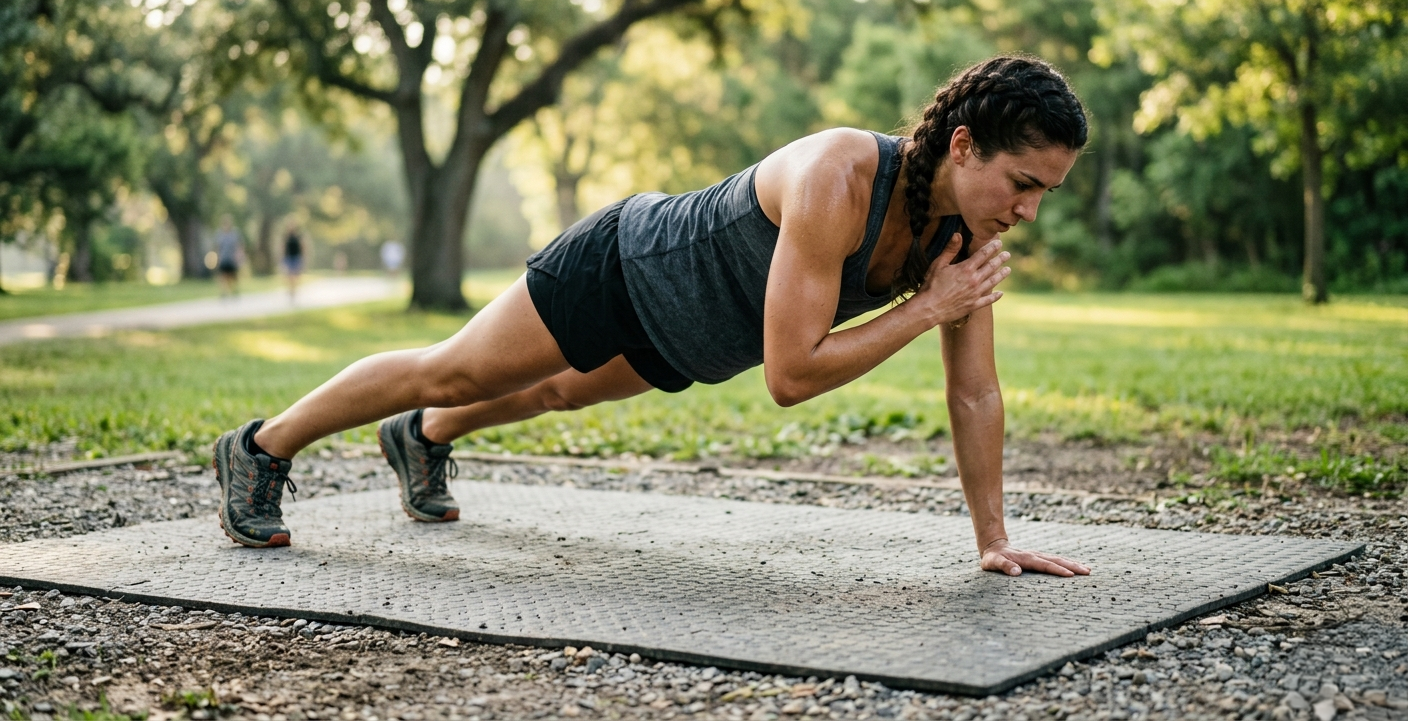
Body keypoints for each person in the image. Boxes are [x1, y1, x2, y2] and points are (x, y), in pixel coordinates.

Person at [211, 55, 1092, 579]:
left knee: (553, 395)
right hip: (627, 266)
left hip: (698, 332)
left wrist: (994, 541)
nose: (1028, 213)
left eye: (1044, 194)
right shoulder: (840, 176)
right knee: (464, 366)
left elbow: (975, 392)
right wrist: (928, 307)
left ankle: (424, 437)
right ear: (967, 146)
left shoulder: (963, 237)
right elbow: (793, 377)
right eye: (1023, 185)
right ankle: (260, 448)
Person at [213, 215, 242, 299]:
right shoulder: (219, 234)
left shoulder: (234, 234)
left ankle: (233, 290)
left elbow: (238, 246)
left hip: (232, 258)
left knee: (232, 276)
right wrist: (216, 258)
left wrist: (238, 256)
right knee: (223, 276)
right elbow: (217, 247)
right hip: (223, 258)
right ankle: (224, 292)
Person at [282, 221, 304, 302]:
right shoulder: (286, 237)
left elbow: (302, 247)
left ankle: (293, 290)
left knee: (295, 275)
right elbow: (283, 248)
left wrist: (303, 257)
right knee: (289, 276)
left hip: (296, 257)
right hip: (288, 258)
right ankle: (291, 291)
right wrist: (282, 258)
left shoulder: (298, 236)